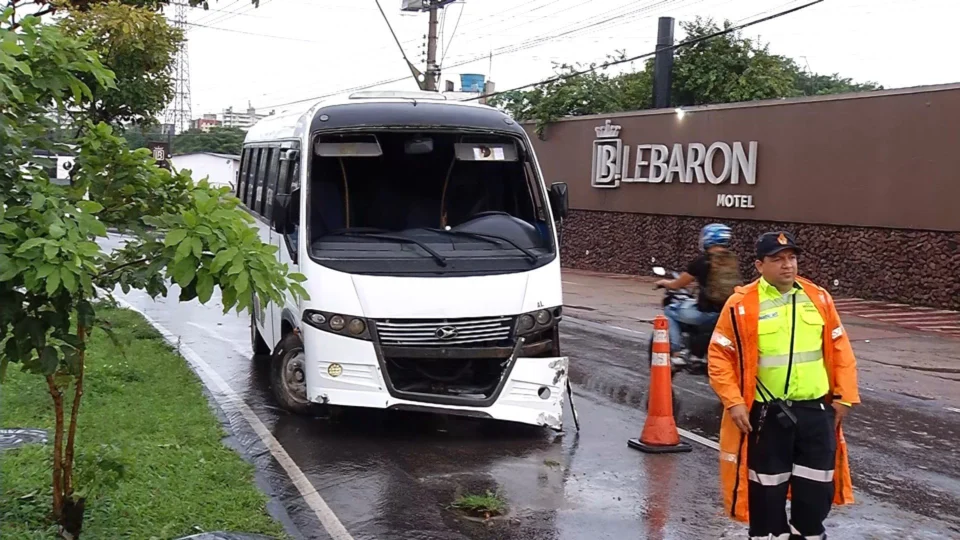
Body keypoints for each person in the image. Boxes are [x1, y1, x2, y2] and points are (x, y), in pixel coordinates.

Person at [707, 231, 860, 540]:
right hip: (767, 414)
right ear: (759, 265)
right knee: (765, 492)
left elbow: (840, 348)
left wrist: (844, 397)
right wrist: (734, 401)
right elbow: (719, 355)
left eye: (791, 258)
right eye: (777, 260)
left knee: (817, 490)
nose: (787, 265)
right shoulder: (742, 304)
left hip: (815, 412)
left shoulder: (818, 298)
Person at [655, 223, 741, 363]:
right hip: (727, 313)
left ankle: (677, 352)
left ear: (707, 238)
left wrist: (664, 283)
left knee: (670, 311)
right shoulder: (732, 260)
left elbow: (677, 284)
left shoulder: (702, 261)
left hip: (706, 313)